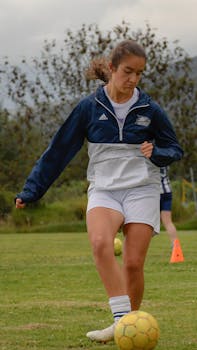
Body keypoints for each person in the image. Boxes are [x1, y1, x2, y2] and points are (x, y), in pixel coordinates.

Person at [15, 39, 183, 343]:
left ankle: (123, 324)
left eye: (139, 74)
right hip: (105, 189)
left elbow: (174, 148)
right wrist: (32, 190)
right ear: (111, 68)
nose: (132, 79)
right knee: (100, 243)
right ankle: (122, 320)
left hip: (142, 190)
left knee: (133, 263)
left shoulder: (150, 109)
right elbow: (59, 150)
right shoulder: (88, 108)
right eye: (127, 71)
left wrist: (157, 151)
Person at [160, 166, 183, 247]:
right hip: (167, 191)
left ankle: (139, 246)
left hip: (154, 192)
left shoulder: (150, 156)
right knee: (168, 222)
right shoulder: (165, 155)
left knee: (146, 222)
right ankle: (176, 246)